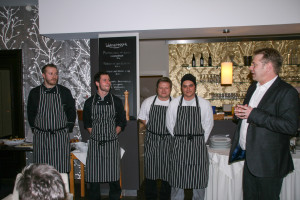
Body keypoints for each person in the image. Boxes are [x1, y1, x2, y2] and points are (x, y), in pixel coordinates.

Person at [229, 48, 299, 200]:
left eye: (254, 64)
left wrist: (253, 114)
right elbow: (249, 116)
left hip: (269, 163)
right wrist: (240, 114)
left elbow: (290, 126)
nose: (250, 68)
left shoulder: (287, 92)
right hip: (251, 160)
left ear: (268, 67)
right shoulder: (253, 87)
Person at [166, 74, 214, 200]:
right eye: (185, 86)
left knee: (198, 180)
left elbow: (208, 125)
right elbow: (170, 124)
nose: (188, 89)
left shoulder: (204, 104)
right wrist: (180, 138)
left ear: (195, 87)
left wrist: (198, 141)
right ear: (181, 88)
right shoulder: (174, 104)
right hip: (179, 146)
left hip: (198, 147)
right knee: (177, 180)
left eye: (190, 86)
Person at [83, 72, 127, 200]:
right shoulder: (89, 102)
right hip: (95, 143)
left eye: (109, 80)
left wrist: (112, 134)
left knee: (114, 179)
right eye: (105, 80)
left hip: (112, 143)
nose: (108, 82)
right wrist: (97, 135)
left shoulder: (117, 101)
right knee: (94, 180)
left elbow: (121, 121)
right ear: (97, 83)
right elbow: (87, 123)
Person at [27, 63, 76, 173]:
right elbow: (30, 113)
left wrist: (68, 127)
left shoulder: (64, 92)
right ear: (43, 75)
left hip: (60, 138)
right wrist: (35, 130)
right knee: (41, 171)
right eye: (50, 74)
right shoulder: (34, 93)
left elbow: (71, 111)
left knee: (61, 170)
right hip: (41, 138)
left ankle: (62, 190)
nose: (54, 76)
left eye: (56, 74)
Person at [138, 77, 173, 200]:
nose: (163, 90)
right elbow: (142, 118)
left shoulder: (175, 103)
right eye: (161, 87)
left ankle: (165, 197)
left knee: (167, 174)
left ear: (170, 89)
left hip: (169, 142)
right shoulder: (148, 102)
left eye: (166, 88)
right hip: (152, 140)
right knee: (151, 173)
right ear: (157, 89)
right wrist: (153, 129)